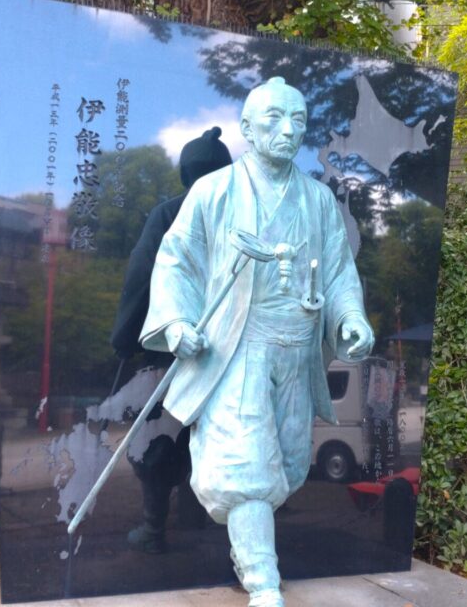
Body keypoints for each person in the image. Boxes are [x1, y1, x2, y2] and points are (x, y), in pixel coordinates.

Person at [140, 77, 375, 607]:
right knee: (245, 465)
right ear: (247, 128)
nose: (288, 130)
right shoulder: (214, 191)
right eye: (274, 119)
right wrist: (177, 324)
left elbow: (339, 272)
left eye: (298, 119)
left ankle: (246, 549)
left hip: (296, 349)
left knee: (289, 464)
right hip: (236, 348)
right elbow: (176, 260)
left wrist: (350, 320)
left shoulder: (317, 199)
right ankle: (264, 584)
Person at [109, 127, 232, 553]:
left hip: (171, 351)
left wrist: (126, 336)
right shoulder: (244, 218)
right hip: (228, 354)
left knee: (161, 439)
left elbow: (141, 279)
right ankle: (196, 514)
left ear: (185, 172)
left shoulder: (170, 213)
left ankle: (154, 528)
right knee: (211, 435)